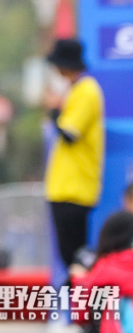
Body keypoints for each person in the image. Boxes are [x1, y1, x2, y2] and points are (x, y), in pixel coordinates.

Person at [43, 38, 105, 270]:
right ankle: (83, 304)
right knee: (71, 257)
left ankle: (87, 305)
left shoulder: (86, 91)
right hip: (66, 188)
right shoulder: (78, 90)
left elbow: (69, 134)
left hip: (73, 189)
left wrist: (54, 111)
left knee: (75, 258)